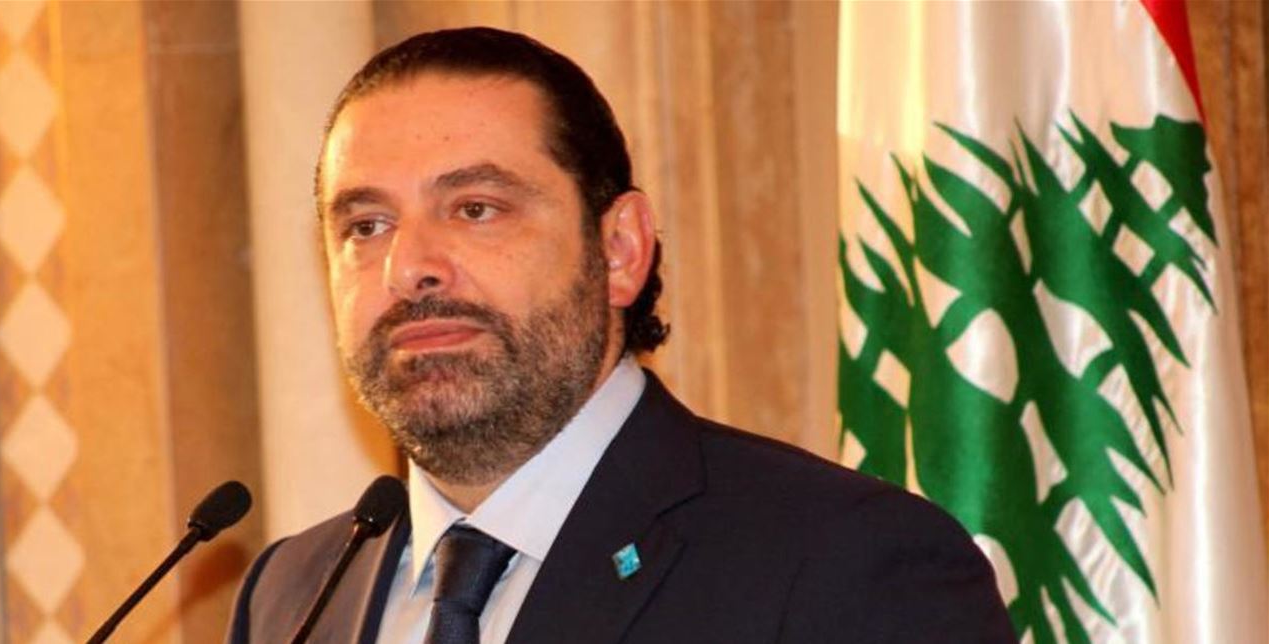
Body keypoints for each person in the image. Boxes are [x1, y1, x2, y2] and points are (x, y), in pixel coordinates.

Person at [227, 27, 1015, 644]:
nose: (410, 268)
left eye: (475, 208)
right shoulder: (292, 594)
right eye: (366, 225)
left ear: (620, 249)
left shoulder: (848, 564)